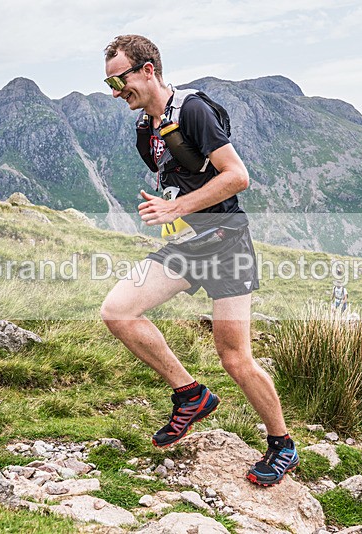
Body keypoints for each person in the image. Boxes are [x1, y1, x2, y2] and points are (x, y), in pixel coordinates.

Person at [100, 35, 297, 487]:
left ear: (148, 70)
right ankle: (190, 394)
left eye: (120, 79)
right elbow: (182, 181)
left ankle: (282, 444)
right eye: (109, 83)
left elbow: (237, 176)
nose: (116, 91)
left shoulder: (192, 110)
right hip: (186, 245)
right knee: (117, 311)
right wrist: (169, 205)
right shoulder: (143, 130)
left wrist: (177, 208)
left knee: (234, 358)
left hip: (226, 243)